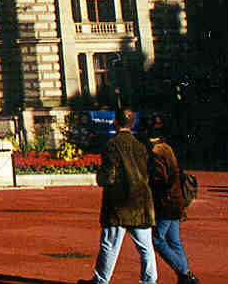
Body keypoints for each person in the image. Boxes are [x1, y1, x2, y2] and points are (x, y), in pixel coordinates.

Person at [79, 109, 156, 284]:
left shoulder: (112, 145)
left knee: (109, 245)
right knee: (146, 247)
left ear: (115, 122)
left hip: (119, 202)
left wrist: (100, 178)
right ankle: (149, 281)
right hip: (141, 201)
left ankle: (101, 280)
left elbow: (109, 175)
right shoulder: (141, 145)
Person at [146, 115, 199, 284]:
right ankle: (185, 276)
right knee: (174, 240)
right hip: (176, 200)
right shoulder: (168, 149)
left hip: (165, 202)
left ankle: (185, 273)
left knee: (157, 239)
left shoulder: (155, 153)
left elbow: (160, 179)